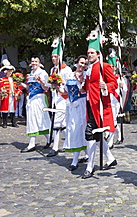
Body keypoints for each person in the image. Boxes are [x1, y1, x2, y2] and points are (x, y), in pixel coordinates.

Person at [81, 29, 118, 179]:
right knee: (96, 135)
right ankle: (110, 158)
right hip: (90, 105)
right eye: (88, 53)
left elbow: (113, 83)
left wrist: (106, 87)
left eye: (92, 53)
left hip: (100, 106)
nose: (89, 55)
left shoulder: (104, 66)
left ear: (98, 54)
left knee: (89, 134)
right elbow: (87, 87)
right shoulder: (88, 68)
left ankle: (90, 167)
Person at [58, 55, 89, 171]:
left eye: (85, 64)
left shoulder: (86, 76)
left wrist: (79, 80)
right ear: (76, 63)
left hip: (81, 104)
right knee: (72, 129)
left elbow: (84, 90)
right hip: (71, 105)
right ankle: (86, 154)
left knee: (79, 130)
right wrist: (56, 86)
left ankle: (75, 159)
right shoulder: (70, 75)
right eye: (81, 63)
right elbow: (65, 91)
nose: (83, 65)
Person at [47, 38, 73, 157]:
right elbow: (50, 85)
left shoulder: (66, 70)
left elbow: (70, 85)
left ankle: (56, 147)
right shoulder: (53, 69)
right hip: (55, 97)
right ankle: (70, 143)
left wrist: (60, 84)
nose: (53, 59)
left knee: (58, 122)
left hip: (64, 98)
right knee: (61, 123)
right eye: (52, 57)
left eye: (56, 56)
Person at [20, 56, 51, 153]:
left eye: (35, 61)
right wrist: (21, 83)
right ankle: (48, 139)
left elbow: (46, 88)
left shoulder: (43, 73)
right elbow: (29, 88)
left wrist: (41, 81)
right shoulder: (31, 74)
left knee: (40, 119)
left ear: (39, 63)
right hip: (31, 98)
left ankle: (32, 143)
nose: (34, 63)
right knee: (33, 119)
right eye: (32, 61)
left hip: (39, 98)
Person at [0, 59, 22, 128]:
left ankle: (13, 122)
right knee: (5, 110)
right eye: (9, 71)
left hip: (12, 96)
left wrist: (17, 93)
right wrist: (3, 91)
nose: (10, 72)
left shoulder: (14, 79)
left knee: (12, 110)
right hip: (6, 96)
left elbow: (19, 87)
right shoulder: (2, 79)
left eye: (11, 71)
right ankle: (4, 123)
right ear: (5, 72)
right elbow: (1, 87)